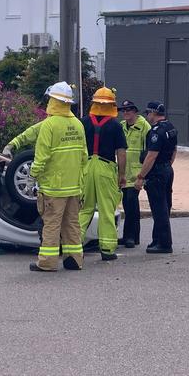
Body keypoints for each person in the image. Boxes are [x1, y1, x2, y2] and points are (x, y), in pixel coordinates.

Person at [27, 81, 88, 272]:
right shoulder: (78, 124)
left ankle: (47, 262)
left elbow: (42, 155)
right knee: (72, 224)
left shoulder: (50, 125)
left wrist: (32, 176)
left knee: (51, 225)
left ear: (53, 100)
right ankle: (74, 259)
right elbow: (84, 157)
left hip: (54, 188)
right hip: (73, 186)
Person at [78, 87, 127, 261]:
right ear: (111, 104)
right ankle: (106, 249)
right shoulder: (115, 125)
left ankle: (74, 247)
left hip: (86, 167)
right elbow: (121, 152)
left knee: (84, 209)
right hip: (106, 168)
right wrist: (122, 175)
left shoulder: (83, 122)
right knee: (107, 209)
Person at [135, 101, 178, 254]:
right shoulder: (170, 127)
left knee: (159, 209)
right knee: (165, 207)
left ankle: (164, 244)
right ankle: (157, 240)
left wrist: (141, 176)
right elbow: (174, 150)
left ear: (153, 113)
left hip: (158, 172)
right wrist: (168, 165)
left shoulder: (156, 131)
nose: (147, 116)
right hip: (167, 169)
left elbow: (151, 156)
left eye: (148, 113)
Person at [117, 100, 151, 248]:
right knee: (127, 203)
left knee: (131, 203)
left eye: (129, 110)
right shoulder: (121, 126)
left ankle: (130, 237)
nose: (125, 112)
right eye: (123, 110)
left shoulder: (144, 126)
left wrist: (143, 174)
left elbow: (150, 150)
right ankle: (131, 236)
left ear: (135, 111)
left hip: (137, 172)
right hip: (124, 172)